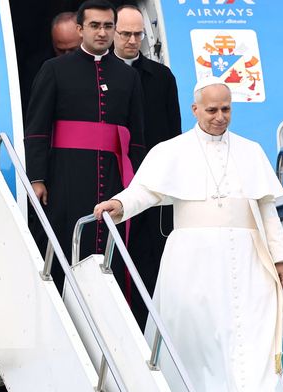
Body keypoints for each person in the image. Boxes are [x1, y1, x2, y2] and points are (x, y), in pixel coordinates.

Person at [94, 77, 283, 392]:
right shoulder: (171, 151)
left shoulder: (250, 151)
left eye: (226, 109)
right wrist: (119, 203)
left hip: (248, 257)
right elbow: (144, 192)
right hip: (193, 258)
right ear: (195, 109)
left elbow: (267, 211)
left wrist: (280, 258)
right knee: (198, 337)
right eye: (212, 109)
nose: (220, 117)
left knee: (247, 334)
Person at [24, 0, 146, 292]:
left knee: (110, 248)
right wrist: (37, 177)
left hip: (115, 177)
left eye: (107, 26)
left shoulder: (128, 76)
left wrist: (137, 184)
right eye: (94, 25)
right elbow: (37, 128)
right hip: (67, 173)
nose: (101, 32)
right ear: (80, 29)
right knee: (67, 242)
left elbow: (137, 136)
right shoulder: (53, 69)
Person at [111, 5, 182, 329]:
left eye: (137, 34)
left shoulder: (162, 77)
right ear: (113, 32)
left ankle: (154, 327)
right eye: (125, 33)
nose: (132, 40)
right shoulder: (102, 76)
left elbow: (174, 133)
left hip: (155, 183)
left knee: (153, 257)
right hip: (114, 178)